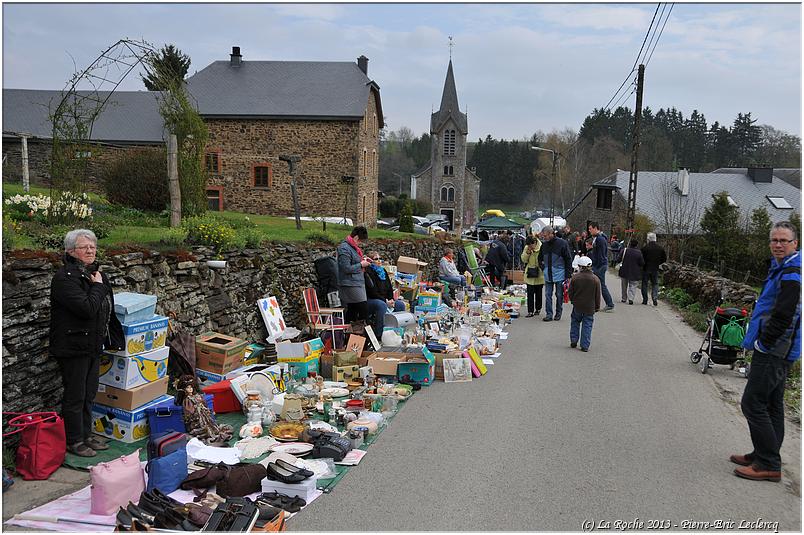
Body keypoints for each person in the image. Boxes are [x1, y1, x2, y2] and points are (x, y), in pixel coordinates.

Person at [732, 221, 801, 483]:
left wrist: (765, 342)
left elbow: (786, 314)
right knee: (772, 404)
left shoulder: (792, 273)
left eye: (784, 240)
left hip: (775, 349)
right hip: (781, 348)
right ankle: (763, 454)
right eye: (774, 240)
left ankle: (769, 463)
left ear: (795, 243)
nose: (778, 245)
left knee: (752, 403)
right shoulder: (782, 268)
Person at [50, 229, 124, 457]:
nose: (90, 250)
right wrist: (99, 287)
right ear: (71, 251)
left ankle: (86, 434)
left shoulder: (94, 274)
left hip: (92, 345)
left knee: (89, 393)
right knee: (75, 395)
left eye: (92, 246)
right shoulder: (65, 278)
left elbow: (106, 309)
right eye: (84, 247)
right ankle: (74, 440)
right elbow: (87, 308)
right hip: (72, 347)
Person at [365, 251, 405, 339]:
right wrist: (385, 301)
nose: (379, 261)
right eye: (376, 259)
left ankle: (397, 331)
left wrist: (391, 300)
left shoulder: (383, 271)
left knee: (400, 304)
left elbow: (389, 288)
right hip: (372, 299)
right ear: (370, 261)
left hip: (385, 299)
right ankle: (379, 334)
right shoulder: (368, 272)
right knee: (381, 305)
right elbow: (372, 292)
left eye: (380, 258)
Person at [537, 226, 573, 322]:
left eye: (545, 236)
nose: (544, 237)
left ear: (551, 233)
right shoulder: (544, 245)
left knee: (559, 295)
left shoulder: (562, 243)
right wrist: (543, 268)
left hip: (560, 274)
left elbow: (568, 259)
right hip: (548, 274)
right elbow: (539, 258)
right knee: (548, 295)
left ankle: (558, 313)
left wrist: (568, 275)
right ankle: (549, 314)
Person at [337, 226, 371, 324]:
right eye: (360, 241)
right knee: (363, 310)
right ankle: (366, 336)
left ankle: (351, 336)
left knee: (352, 311)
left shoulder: (353, 248)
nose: (360, 244)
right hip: (350, 284)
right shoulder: (344, 248)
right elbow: (346, 268)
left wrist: (363, 259)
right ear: (356, 238)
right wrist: (361, 264)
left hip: (357, 283)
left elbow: (354, 260)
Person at [568, 256, 601, 352]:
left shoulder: (575, 278)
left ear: (580, 266)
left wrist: (573, 300)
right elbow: (597, 295)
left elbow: (570, 292)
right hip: (590, 307)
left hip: (577, 305)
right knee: (587, 325)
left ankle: (574, 340)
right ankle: (585, 345)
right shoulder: (595, 279)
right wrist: (597, 307)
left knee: (575, 322)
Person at [587, 222, 615, 311]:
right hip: (599, 265)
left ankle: (609, 304)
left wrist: (595, 266)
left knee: (601, 285)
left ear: (596, 228)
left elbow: (601, 255)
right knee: (597, 284)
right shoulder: (598, 238)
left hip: (599, 266)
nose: (589, 230)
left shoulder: (600, 239)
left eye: (590, 228)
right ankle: (596, 303)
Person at [521, 235, 544, 317]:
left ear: (535, 242)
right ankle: (530, 311)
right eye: (529, 246)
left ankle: (538, 309)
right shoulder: (527, 247)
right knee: (530, 293)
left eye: (531, 245)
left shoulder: (542, 247)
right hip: (530, 273)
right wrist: (527, 253)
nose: (530, 247)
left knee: (538, 293)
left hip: (540, 274)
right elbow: (523, 259)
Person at [641, 232, 667, 306]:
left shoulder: (644, 248)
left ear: (648, 239)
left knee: (644, 284)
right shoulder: (660, 248)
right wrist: (658, 263)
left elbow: (641, 259)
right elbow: (664, 259)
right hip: (655, 268)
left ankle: (645, 300)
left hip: (646, 268)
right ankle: (654, 298)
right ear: (655, 239)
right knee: (655, 284)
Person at [617, 238, 644, 305]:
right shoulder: (639, 252)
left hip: (624, 270)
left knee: (624, 285)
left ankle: (624, 298)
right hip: (635, 272)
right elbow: (642, 263)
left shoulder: (624, 250)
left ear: (630, 244)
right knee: (633, 285)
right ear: (636, 245)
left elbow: (618, 259)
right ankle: (631, 298)